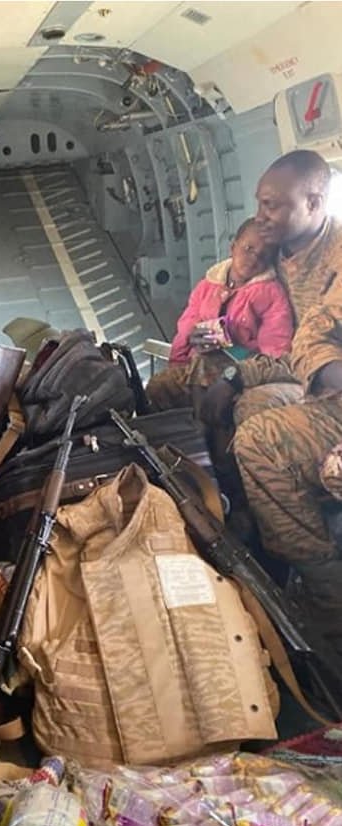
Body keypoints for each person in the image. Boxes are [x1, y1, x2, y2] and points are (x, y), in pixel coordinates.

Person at [199, 152, 342, 660]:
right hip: (313, 386)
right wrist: (237, 375)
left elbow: (313, 340)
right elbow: (293, 346)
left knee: (261, 433)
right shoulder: (282, 256)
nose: (261, 216)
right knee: (237, 399)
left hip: (329, 396)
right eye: (260, 204)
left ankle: (326, 599)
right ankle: (258, 534)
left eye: (273, 205)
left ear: (314, 202)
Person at [146, 218, 293, 412]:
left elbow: (275, 351)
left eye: (263, 256)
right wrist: (187, 345)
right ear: (233, 247)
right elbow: (186, 326)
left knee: (205, 362)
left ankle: (201, 427)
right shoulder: (208, 285)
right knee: (159, 386)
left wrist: (240, 357)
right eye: (248, 248)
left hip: (237, 373)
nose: (253, 259)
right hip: (194, 366)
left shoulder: (271, 295)